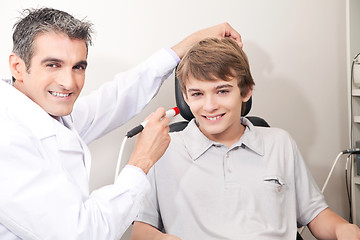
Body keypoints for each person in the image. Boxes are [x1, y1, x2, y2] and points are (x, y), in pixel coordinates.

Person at [0, 7, 243, 239]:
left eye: (78, 67)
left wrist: (180, 49)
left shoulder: (45, 112)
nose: (69, 82)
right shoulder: (8, 141)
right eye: (53, 65)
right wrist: (142, 160)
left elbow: (113, 99)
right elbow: (83, 234)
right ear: (17, 67)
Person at [131, 38, 360, 240]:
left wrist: (343, 229)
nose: (210, 106)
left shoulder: (280, 143)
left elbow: (315, 214)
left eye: (222, 91)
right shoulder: (163, 150)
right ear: (185, 97)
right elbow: (141, 231)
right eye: (198, 94)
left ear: (246, 91)